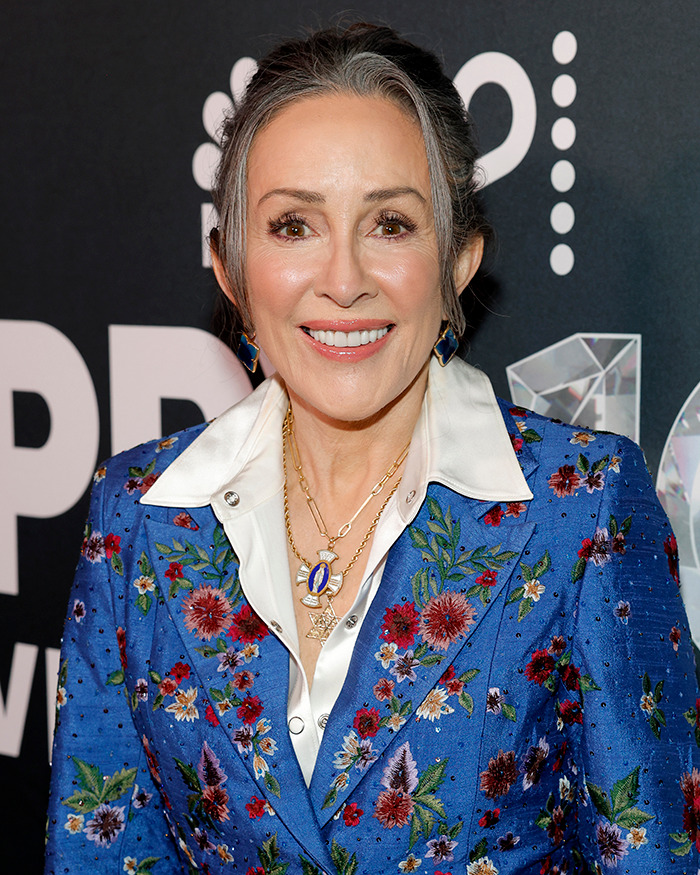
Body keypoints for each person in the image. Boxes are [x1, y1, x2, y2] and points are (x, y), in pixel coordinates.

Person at [45, 23, 700, 875]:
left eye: (390, 222)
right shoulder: (138, 510)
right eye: (293, 226)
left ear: (458, 259)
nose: (344, 278)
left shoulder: (583, 508)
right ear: (229, 267)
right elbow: (98, 849)